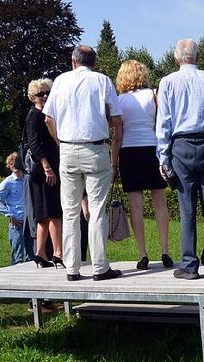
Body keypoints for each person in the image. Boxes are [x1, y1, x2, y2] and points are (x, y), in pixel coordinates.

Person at [43, 45, 123, 282]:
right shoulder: (102, 81)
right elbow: (117, 120)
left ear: (73, 62)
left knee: (70, 212)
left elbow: (48, 119)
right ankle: (100, 267)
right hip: (96, 147)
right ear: (94, 63)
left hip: (67, 148)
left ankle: (72, 268)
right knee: (96, 211)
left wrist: (61, 143)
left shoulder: (59, 81)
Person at [156, 38, 204, 280]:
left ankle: (189, 266)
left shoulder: (167, 82)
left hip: (181, 147)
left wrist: (163, 158)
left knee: (187, 209)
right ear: (198, 57)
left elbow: (164, 122)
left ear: (176, 59)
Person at [114, 59, 173, 270]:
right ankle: (165, 251)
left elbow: (117, 135)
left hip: (129, 151)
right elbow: (162, 123)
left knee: (136, 207)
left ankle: (143, 254)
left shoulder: (118, 100)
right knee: (160, 204)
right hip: (152, 149)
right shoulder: (153, 94)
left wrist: (113, 163)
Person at [25, 78, 64, 269]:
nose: (46, 96)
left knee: (45, 214)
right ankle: (58, 253)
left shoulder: (48, 113)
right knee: (54, 212)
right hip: (44, 171)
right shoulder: (35, 115)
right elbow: (34, 143)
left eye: (48, 92)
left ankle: (40, 253)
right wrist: (47, 167)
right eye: (41, 94)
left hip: (49, 168)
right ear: (33, 97)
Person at [0, 152, 35, 265]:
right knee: (17, 255)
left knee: (31, 254)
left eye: (15, 163)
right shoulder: (7, 182)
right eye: (11, 164)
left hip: (30, 221)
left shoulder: (28, 178)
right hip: (17, 222)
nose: (14, 166)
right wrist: (10, 215)